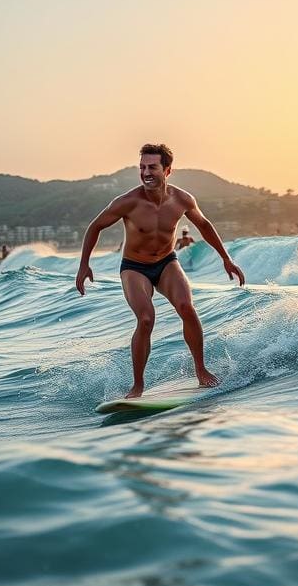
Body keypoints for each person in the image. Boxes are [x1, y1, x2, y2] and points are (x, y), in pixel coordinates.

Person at [75, 143, 244, 398]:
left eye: (152, 167)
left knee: (187, 307)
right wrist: (84, 264)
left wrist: (226, 258)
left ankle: (201, 371)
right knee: (145, 319)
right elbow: (95, 226)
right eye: (142, 167)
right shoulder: (128, 202)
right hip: (134, 267)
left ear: (167, 171)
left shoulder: (182, 200)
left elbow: (205, 225)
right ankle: (138, 385)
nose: (146, 173)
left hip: (166, 262)